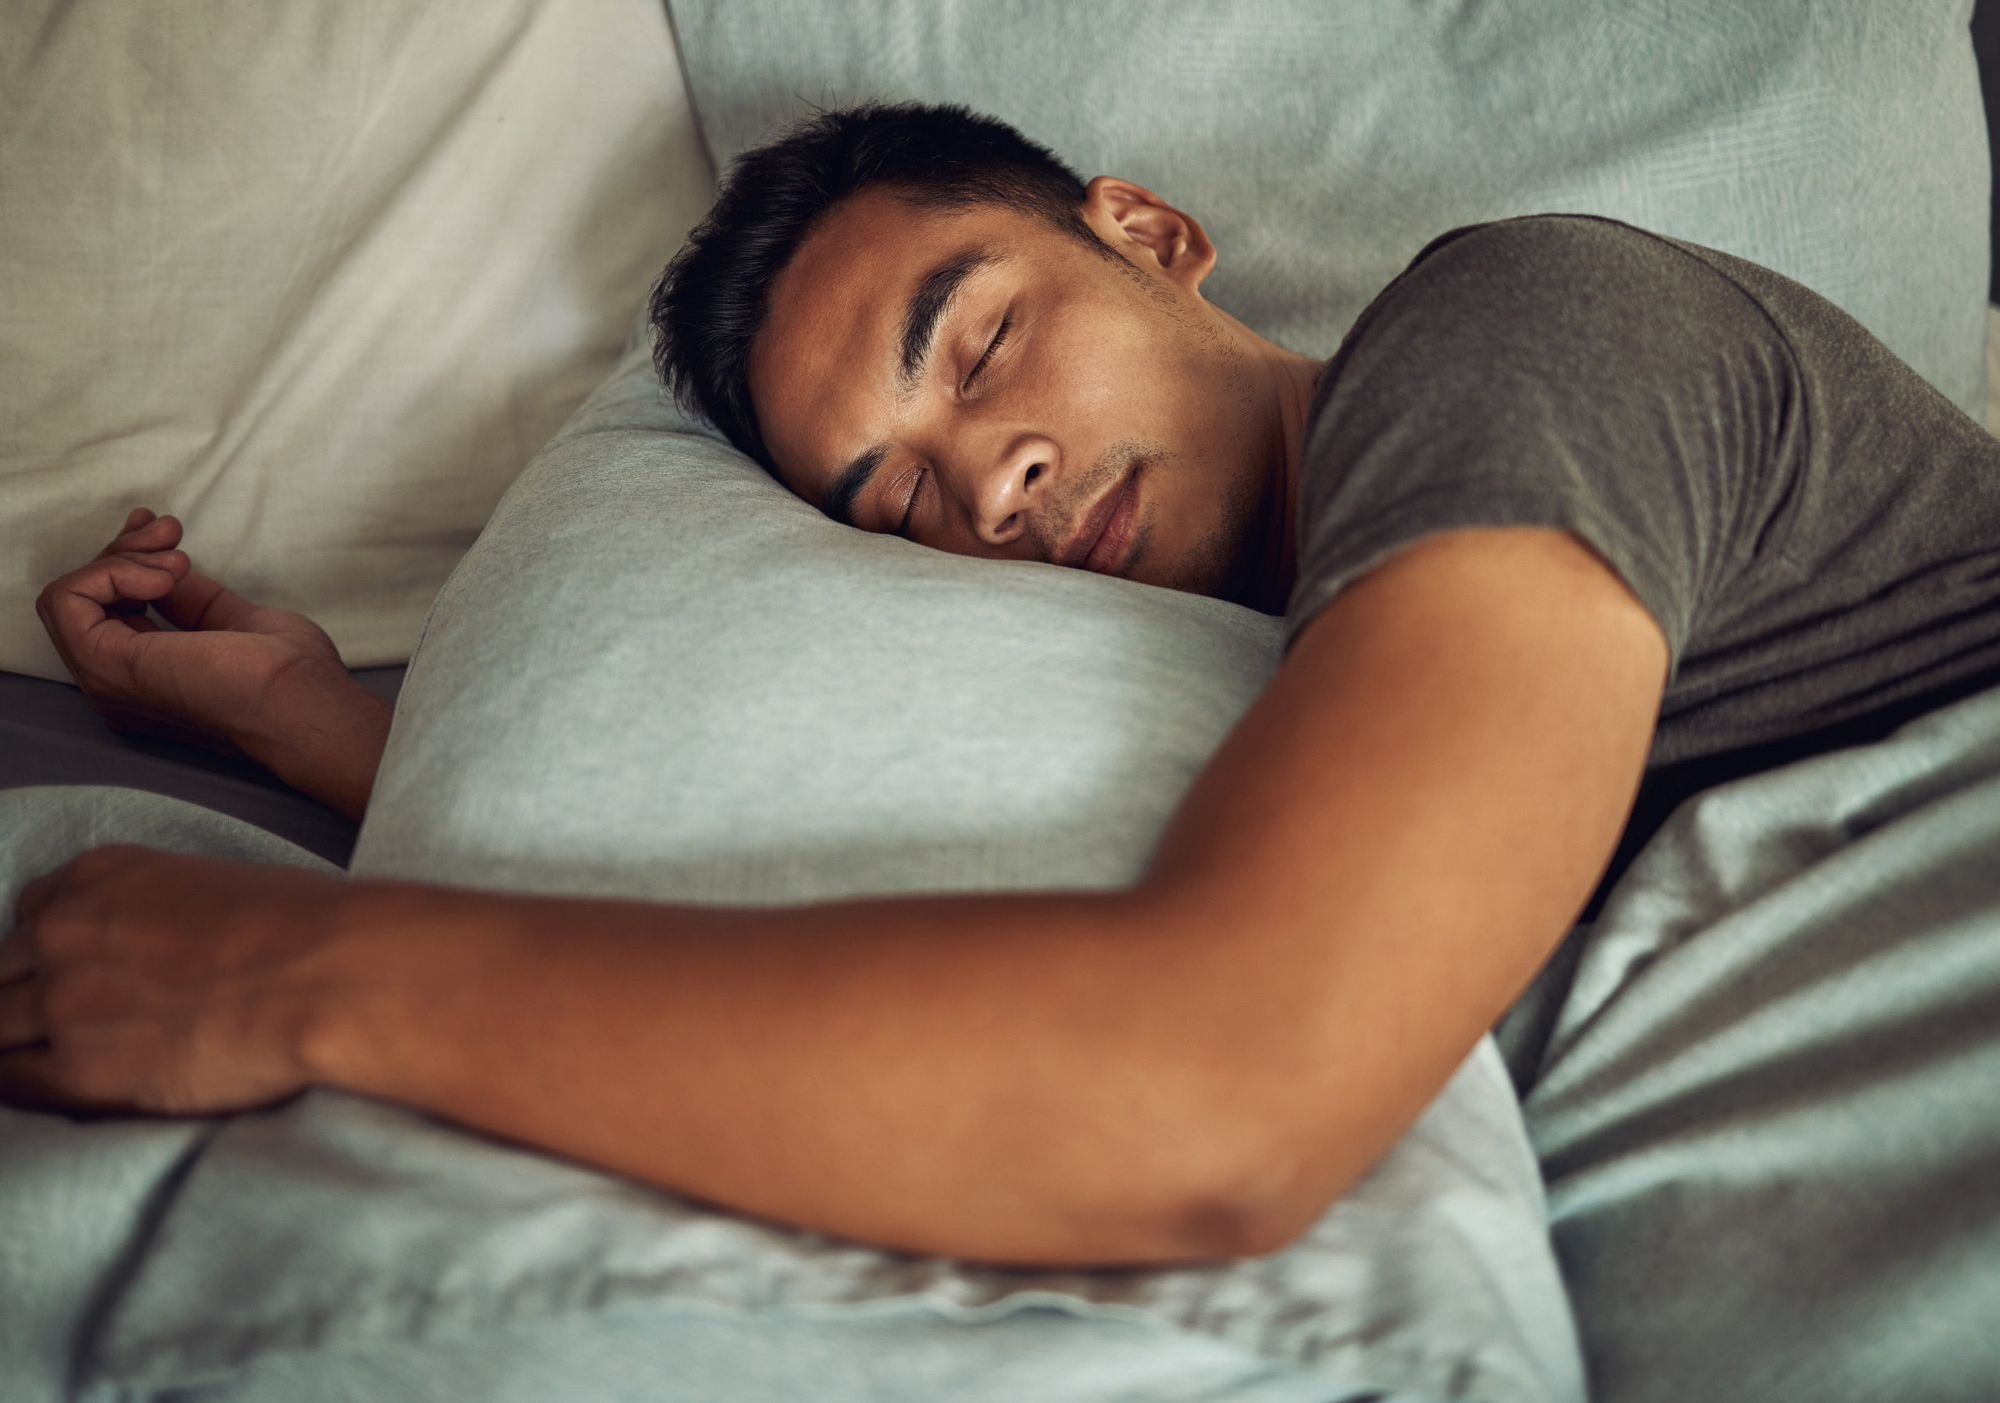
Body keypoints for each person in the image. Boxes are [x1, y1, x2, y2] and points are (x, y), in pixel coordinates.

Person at [7, 101, 2000, 1271]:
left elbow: (1222, 1098)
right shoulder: (1262, 639)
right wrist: (340, 736)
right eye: (897, 501)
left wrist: (299, 981)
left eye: (973, 355)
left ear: (1148, 236)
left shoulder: (1517, 334)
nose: (988, 484)